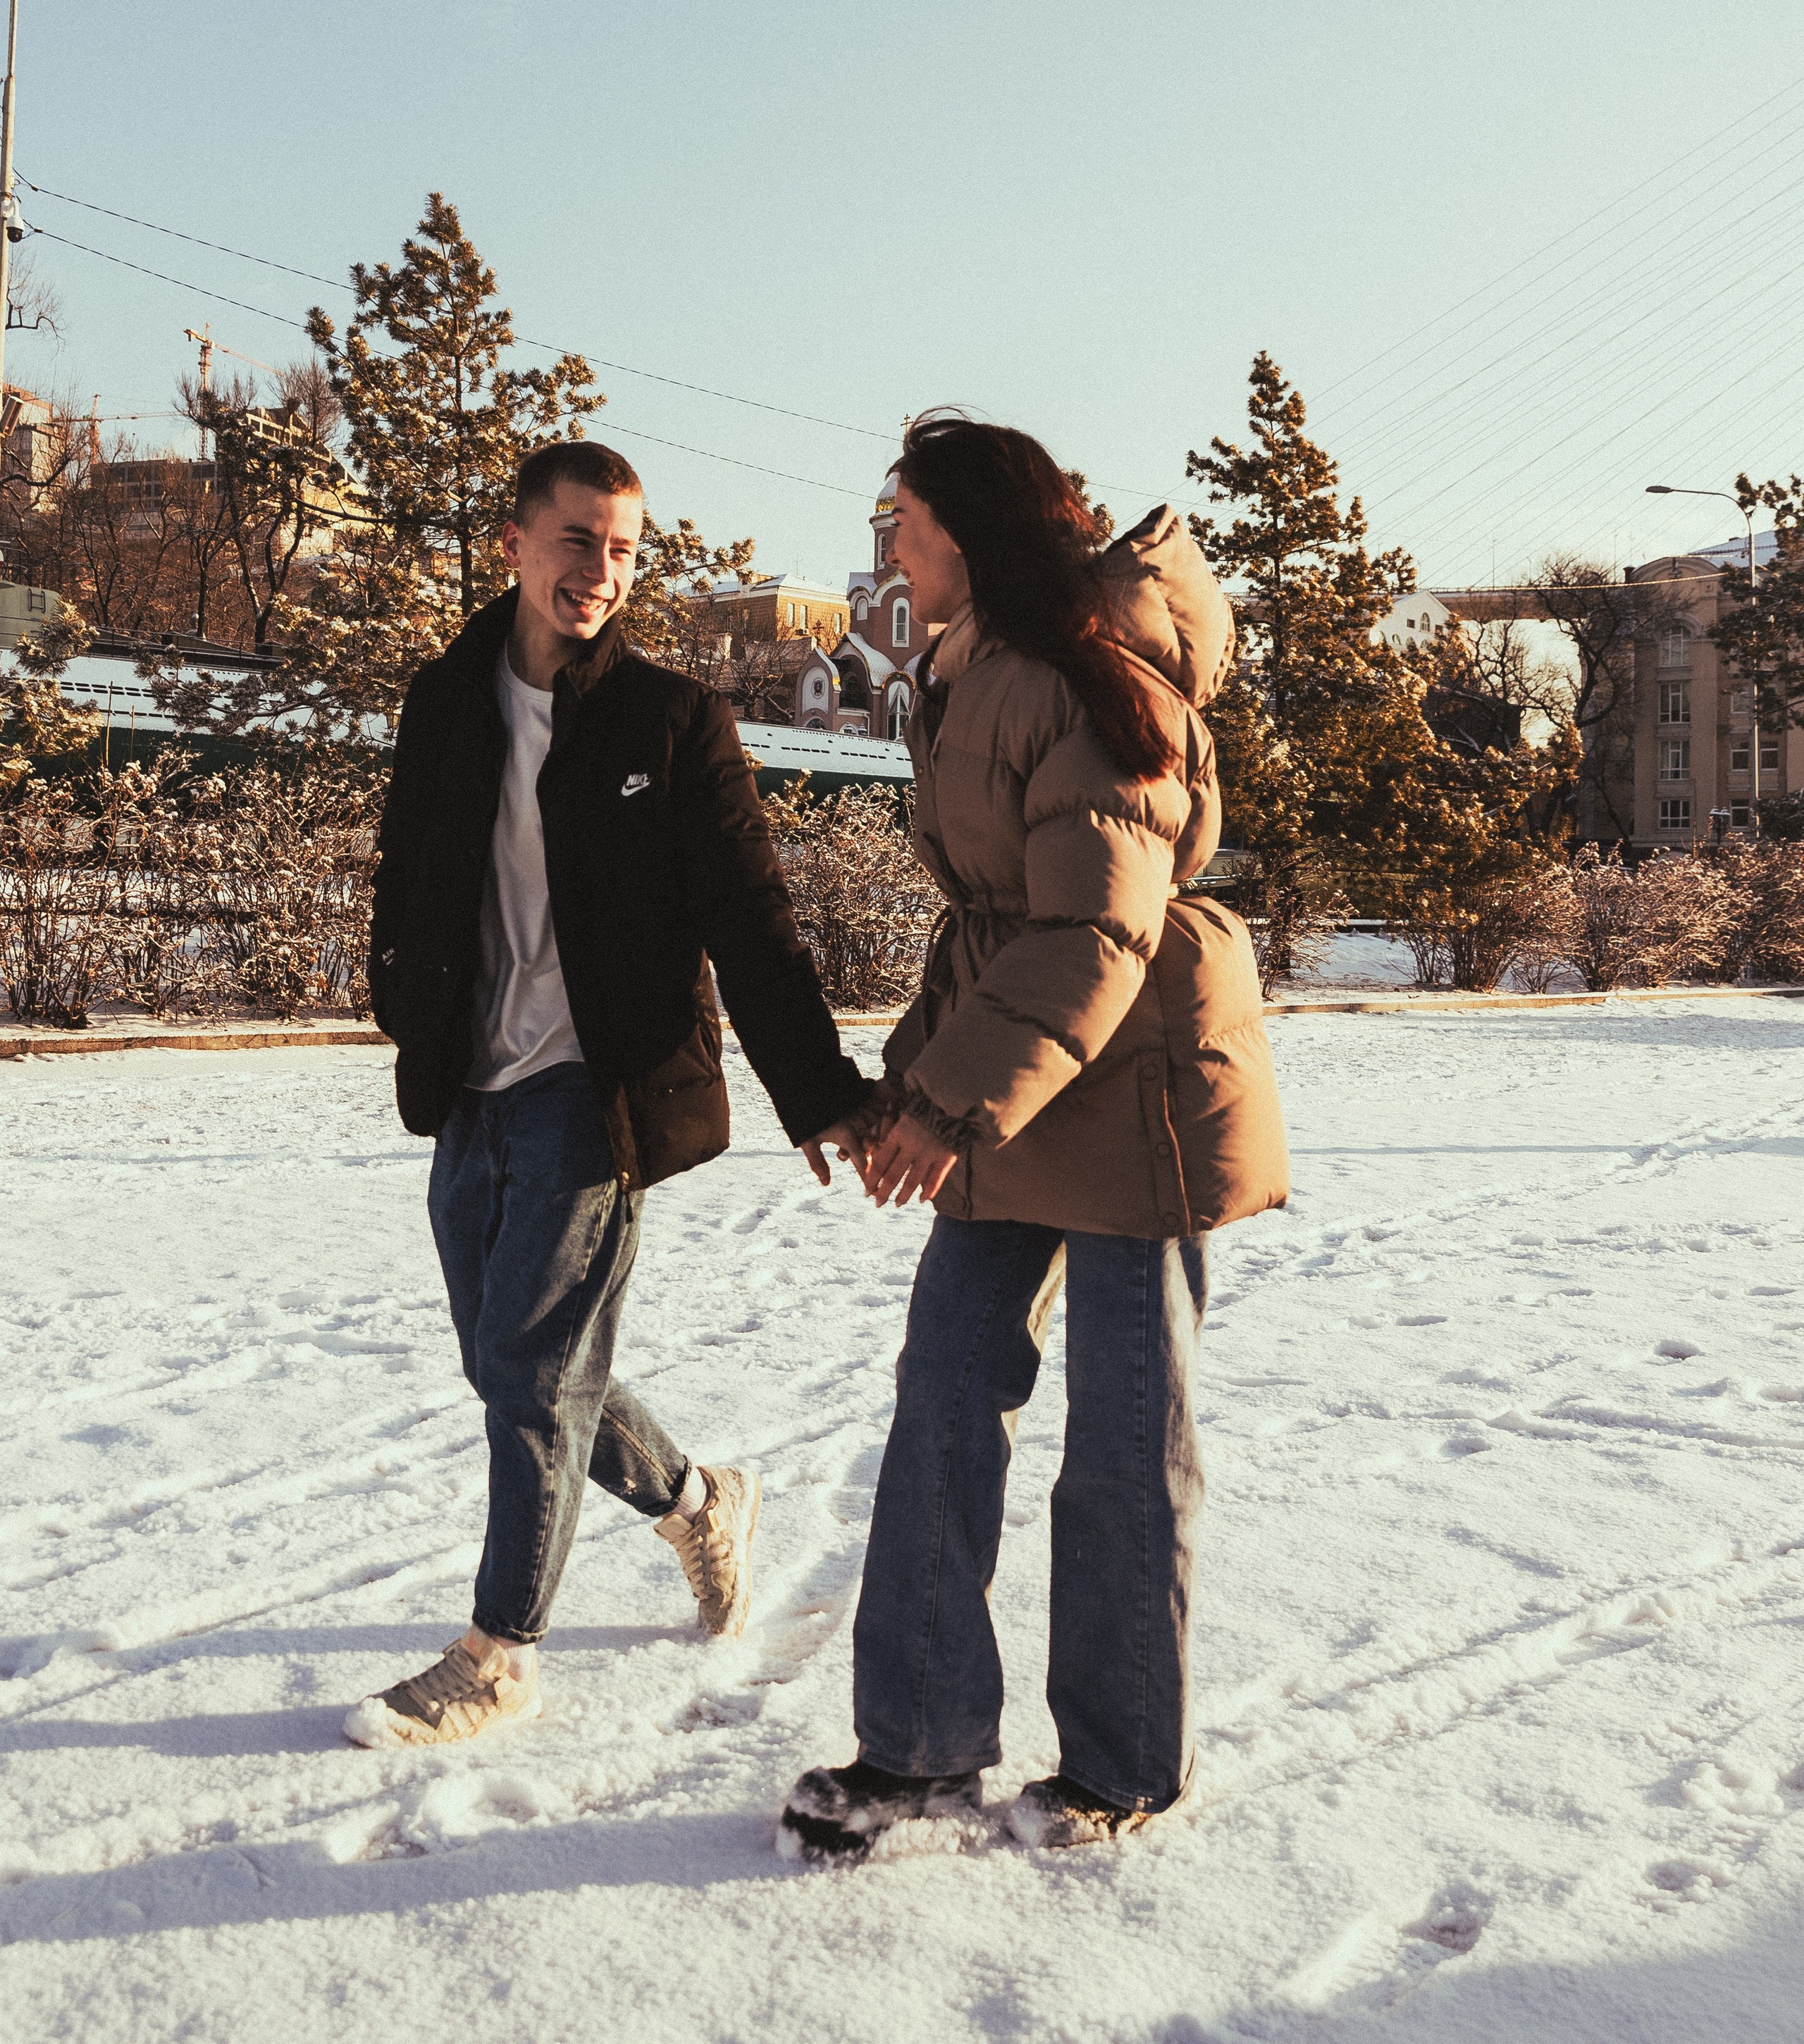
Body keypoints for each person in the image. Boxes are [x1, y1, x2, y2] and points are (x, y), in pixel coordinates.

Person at [781, 414, 1290, 1858]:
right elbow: (992, 927)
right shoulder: (970, 670)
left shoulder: (1081, 667)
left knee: (1125, 1439)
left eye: (905, 516)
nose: (888, 542)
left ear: (968, 526)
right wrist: (906, 1084)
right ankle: (922, 1746)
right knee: (942, 1391)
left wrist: (955, 1104)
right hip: (1025, 1077)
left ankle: (1122, 1763)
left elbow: (1093, 923)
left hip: (1134, 1090)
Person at [346, 440, 868, 1749]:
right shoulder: (445, 700)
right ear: (517, 544)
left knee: (532, 1369)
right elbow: (405, 872)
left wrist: (818, 1093)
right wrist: (402, 999)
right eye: (579, 539)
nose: (602, 570)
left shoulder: (672, 720)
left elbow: (751, 919)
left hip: (599, 1087)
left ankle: (500, 1654)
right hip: (471, 1075)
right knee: (514, 1365)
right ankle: (699, 1498)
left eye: (626, 548)